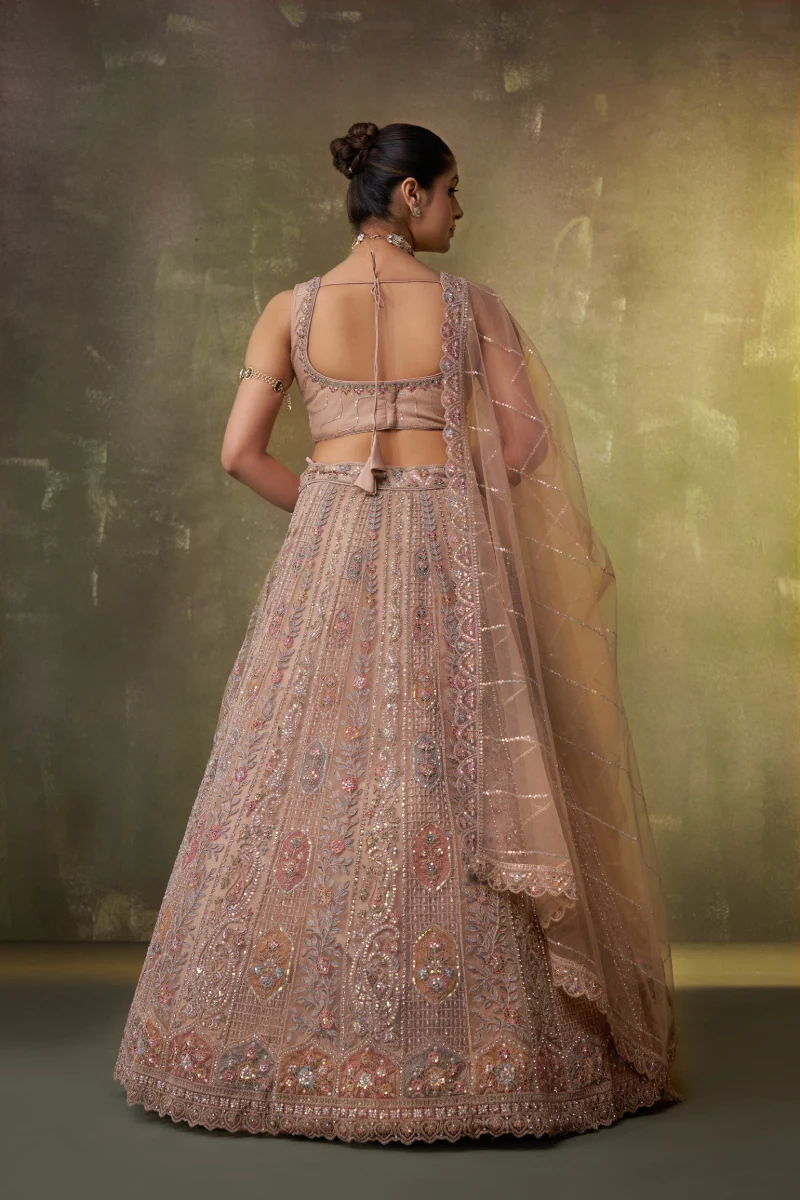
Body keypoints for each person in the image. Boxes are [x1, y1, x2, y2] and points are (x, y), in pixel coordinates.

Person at [113, 121, 681, 1144]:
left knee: (306, 765)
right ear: (410, 195)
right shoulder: (471, 308)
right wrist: (443, 484)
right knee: (460, 762)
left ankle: (277, 1042)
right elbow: (521, 446)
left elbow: (240, 454)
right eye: (452, 191)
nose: (460, 210)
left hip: (330, 548)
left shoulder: (289, 311)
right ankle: (493, 1052)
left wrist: (337, 510)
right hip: (450, 547)